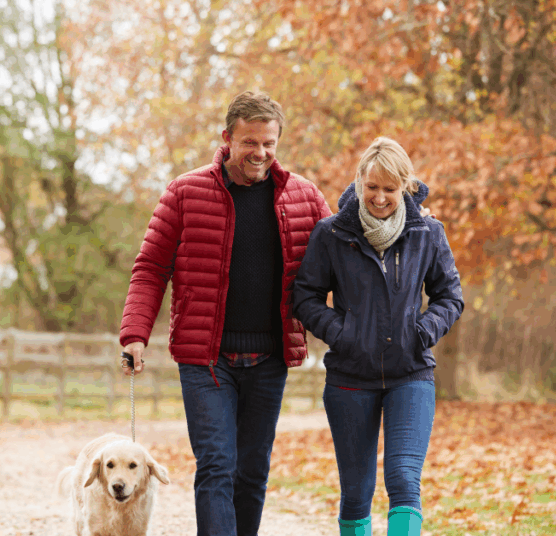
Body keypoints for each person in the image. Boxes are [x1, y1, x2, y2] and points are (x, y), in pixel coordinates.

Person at [118, 90, 332, 536]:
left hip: (270, 358)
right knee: (217, 464)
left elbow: (344, 254)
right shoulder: (184, 192)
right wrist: (135, 333)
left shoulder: (305, 198)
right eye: (250, 142)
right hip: (205, 358)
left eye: (269, 143)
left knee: (252, 472)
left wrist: (411, 219)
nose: (261, 153)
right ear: (228, 138)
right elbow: (151, 268)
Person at [292, 137, 464, 536]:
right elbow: (306, 296)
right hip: (350, 378)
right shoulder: (332, 233)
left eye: (390, 189)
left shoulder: (427, 232)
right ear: (360, 182)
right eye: (373, 187)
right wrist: (342, 333)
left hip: (411, 373)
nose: (380, 198)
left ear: (405, 187)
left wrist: (423, 331)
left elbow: (449, 296)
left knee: (404, 480)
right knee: (356, 492)